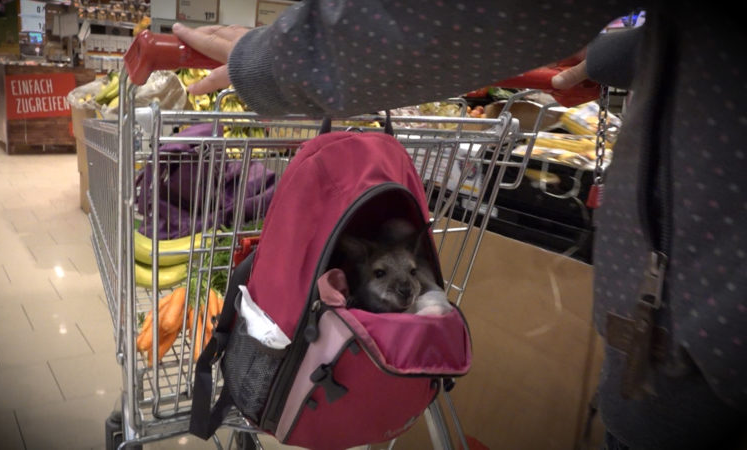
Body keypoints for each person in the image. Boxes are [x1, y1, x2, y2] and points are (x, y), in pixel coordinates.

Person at [172, 2, 747, 449]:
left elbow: (459, 14)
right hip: (680, 343)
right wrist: (612, 52)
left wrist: (280, 61)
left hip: (693, 347)